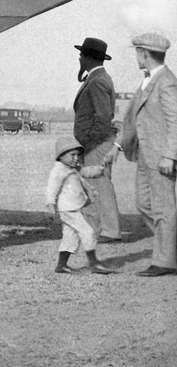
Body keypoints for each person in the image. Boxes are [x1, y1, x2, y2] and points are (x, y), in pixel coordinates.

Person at [118, 31, 177, 277]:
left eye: (137, 53)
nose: (136, 57)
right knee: (143, 205)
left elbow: (175, 120)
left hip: (161, 157)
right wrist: (119, 145)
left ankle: (164, 260)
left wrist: (170, 156)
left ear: (144, 54)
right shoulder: (148, 80)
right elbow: (135, 119)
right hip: (145, 155)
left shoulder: (166, 81)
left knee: (164, 207)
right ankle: (170, 248)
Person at [71, 37, 123, 243]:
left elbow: (103, 116)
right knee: (96, 184)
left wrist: (90, 139)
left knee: (101, 185)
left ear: (88, 58)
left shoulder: (98, 80)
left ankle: (110, 231)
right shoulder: (96, 77)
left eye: (82, 54)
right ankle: (101, 229)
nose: (79, 57)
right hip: (97, 142)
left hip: (98, 143)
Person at [45, 136, 114, 275]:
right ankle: (93, 262)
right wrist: (51, 204)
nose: (76, 158)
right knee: (87, 231)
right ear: (61, 156)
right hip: (67, 209)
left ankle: (61, 265)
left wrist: (101, 168)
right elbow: (51, 188)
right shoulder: (58, 170)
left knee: (70, 236)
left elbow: (86, 172)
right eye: (72, 155)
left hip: (74, 208)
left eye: (78, 155)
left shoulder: (73, 168)